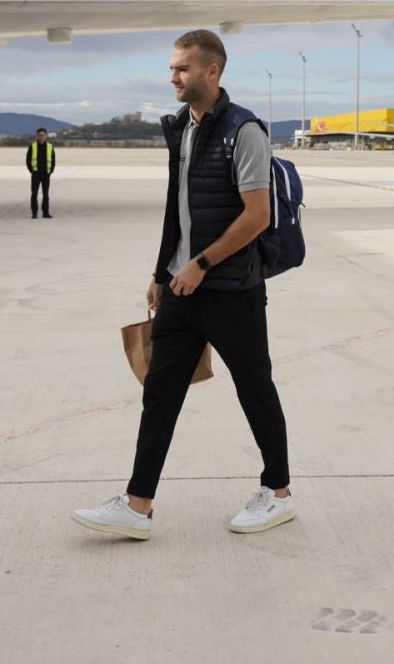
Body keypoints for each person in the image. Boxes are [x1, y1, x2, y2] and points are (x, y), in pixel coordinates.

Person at [72, 29, 292, 538]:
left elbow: (258, 216)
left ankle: (278, 493)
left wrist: (202, 263)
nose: (173, 77)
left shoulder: (245, 132)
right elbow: (178, 210)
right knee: (160, 392)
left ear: (212, 72)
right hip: (180, 289)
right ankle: (137, 505)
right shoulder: (183, 128)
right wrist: (161, 272)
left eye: (182, 69)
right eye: (172, 68)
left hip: (231, 289)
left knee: (255, 388)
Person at [26, 127, 55, 218]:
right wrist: (32, 170)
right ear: (37, 136)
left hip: (46, 174)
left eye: (43, 135)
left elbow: (53, 160)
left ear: (46, 136)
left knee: (46, 194)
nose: (41, 137)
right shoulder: (32, 146)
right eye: (40, 135)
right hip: (36, 174)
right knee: (34, 194)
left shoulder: (50, 146)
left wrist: (50, 171)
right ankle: (34, 213)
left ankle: (45, 212)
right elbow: (28, 159)